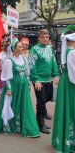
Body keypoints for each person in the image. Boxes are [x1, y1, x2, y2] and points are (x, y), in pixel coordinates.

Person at [0, 38, 40, 137]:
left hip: (23, 87)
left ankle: (25, 126)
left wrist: (28, 84)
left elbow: (27, 73)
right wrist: (9, 89)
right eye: (19, 46)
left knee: (24, 105)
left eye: (22, 46)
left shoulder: (24, 58)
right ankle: (12, 126)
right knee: (12, 105)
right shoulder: (8, 61)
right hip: (14, 86)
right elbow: (6, 77)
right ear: (14, 49)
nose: (22, 48)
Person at [29, 29, 59, 134]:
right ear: (39, 38)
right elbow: (32, 65)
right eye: (43, 37)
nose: (45, 39)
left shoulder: (49, 48)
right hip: (39, 80)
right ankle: (40, 124)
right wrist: (36, 80)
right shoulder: (34, 49)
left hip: (48, 79)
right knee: (41, 102)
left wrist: (56, 75)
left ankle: (40, 118)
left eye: (47, 37)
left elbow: (54, 61)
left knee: (49, 97)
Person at [52, 25, 75, 153]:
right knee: (71, 109)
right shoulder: (72, 52)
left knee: (67, 110)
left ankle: (65, 138)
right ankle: (70, 141)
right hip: (71, 85)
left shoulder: (67, 52)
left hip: (66, 82)